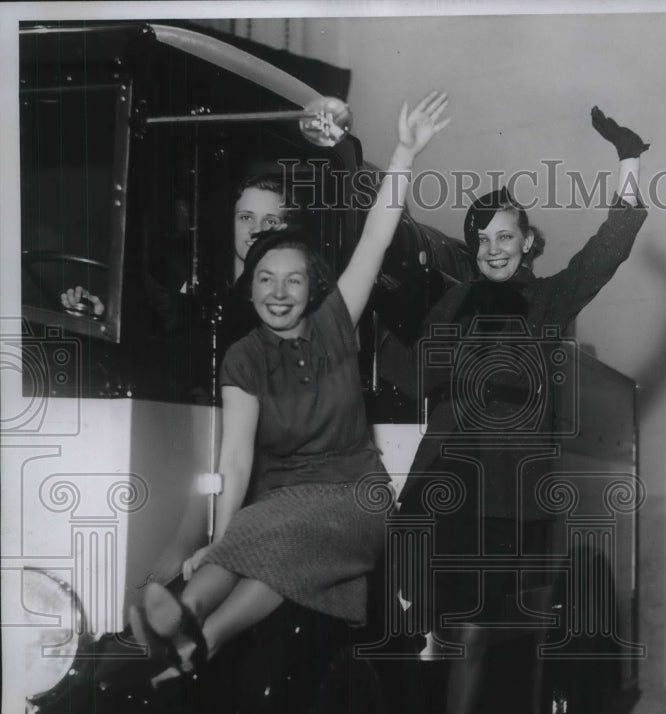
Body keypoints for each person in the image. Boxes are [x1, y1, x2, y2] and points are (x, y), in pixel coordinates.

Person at [128, 92, 451, 673]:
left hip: (355, 498)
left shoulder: (335, 323)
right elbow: (234, 460)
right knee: (263, 537)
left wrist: (404, 154)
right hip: (283, 506)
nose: (279, 293)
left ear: (312, 287)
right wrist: (217, 539)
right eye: (266, 281)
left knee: (272, 532)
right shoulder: (243, 358)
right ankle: (188, 630)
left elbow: (375, 239)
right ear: (250, 290)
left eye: (293, 281)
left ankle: (199, 628)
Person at [379, 106, 650, 714]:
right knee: (407, 617)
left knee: (472, 631)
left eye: (506, 236)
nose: (494, 248)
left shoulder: (548, 302)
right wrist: (367, 312)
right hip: (439, 483)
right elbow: (413, 375)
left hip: (502, 495)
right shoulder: (454, 303)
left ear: (528, 243)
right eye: (483, 238)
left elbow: (610, 248)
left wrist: (628, 161)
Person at [59, 173, 292, 320]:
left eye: (270, 221)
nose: (256, 229)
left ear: (283, 229)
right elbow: (154, 321)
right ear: (229, 222)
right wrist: (100, 312)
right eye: (246, 217)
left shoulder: (288, 300)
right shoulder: (196, 281)